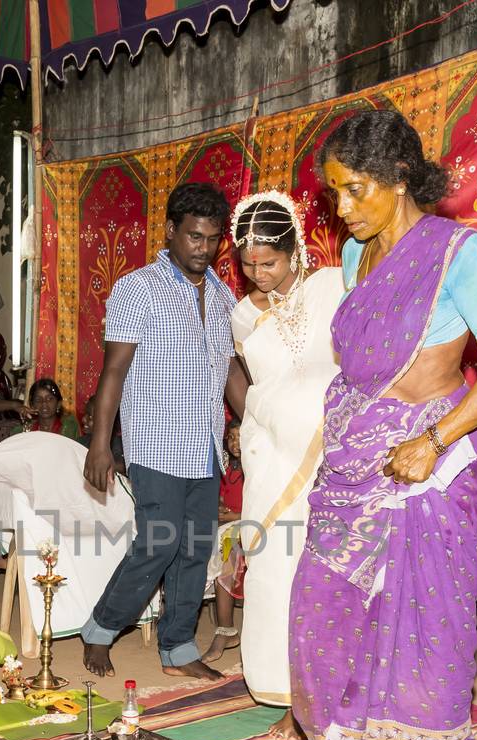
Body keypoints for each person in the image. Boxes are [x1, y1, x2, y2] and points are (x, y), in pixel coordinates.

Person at [290, 110, 477, 740]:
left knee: (420, 616)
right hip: (357, 458)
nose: (344, 209)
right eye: (334, 194)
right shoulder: (361, 257)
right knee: (328, 604)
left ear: (399, 180)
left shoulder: (459, 253)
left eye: (355, 190)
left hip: (429, 461)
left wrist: (435, 438)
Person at [80, 182, 236, 681]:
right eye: (193, 236)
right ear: (170, 231)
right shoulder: (136, 288)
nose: (202, 248)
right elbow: (114, 373)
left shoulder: (223, 294)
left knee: (195, 547)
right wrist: (100, 445)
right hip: (156, 443)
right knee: (159, 543)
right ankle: (101, 629)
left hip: (206, 445)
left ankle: (178, 646)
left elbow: (229, 371)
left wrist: (256, 422)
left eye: (212, 239)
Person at [225, 191, 345, 713]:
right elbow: (258, 383)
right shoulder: (241, 314)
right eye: (248, 264)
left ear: (294, 250)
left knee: (328, 568)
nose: (259, 274)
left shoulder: (334, 287)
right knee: (276, 564)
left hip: (335, 447)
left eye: (269, 262)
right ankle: (281, 687)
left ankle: (328, 687)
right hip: (272, 452)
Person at [203, 420, 248, 663]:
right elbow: (223, 498)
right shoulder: (229, 468)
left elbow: (263, 505)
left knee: (228, 553)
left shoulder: (257, 467)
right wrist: (219, 508)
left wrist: (234, 516)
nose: (235, 443)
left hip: (251, 524)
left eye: (240, 437)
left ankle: (226, 629)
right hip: (229, 525)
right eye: (231, 437)